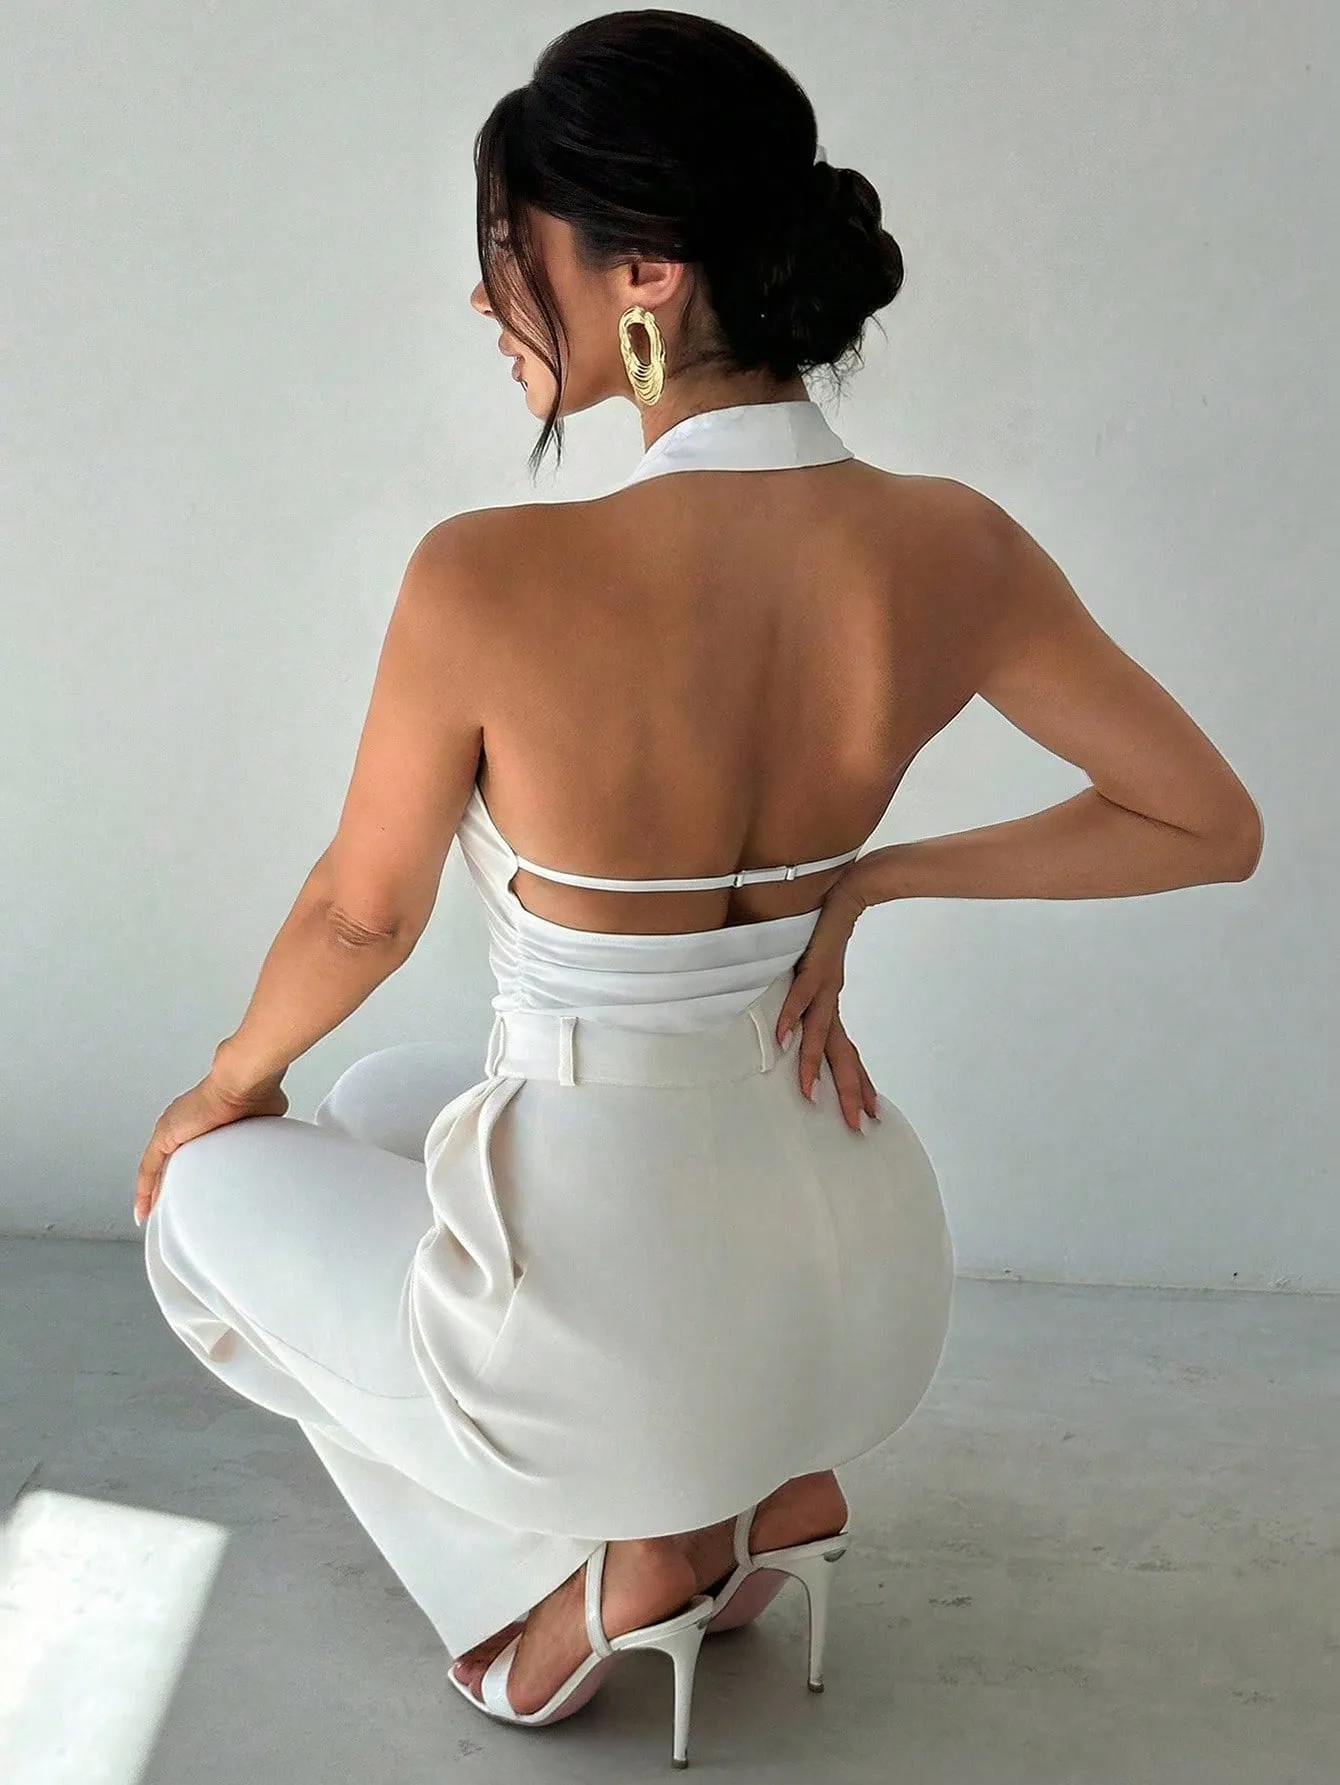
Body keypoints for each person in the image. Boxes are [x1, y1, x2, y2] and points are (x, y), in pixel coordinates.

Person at [133, 10, 1264, 1770]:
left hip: (627, 1320)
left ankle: (600, 1579)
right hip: (862, 1294)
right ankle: (756, 1498)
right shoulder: (953, 542)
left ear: (645, 272)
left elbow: (363, 914)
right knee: (385, 1101)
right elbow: (1204, 822)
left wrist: (215, 1091)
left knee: (207, 1193)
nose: (488, 294)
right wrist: (873, 877)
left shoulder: (492, 573)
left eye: (512, 248)